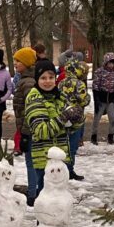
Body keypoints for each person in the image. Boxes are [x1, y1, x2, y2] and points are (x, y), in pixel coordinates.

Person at [25, 59, 76, 202]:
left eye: (51, 77)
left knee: (59, 202)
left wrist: (77, 119)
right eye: (43, 78)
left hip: (60, 159)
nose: (47, 81)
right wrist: (62, 118)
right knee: (46, 204)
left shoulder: (59, 96)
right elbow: (41, 131)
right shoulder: (34, 98)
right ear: (37, 79)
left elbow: (70, 127)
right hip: (44, 160)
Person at [59, 53, 90, 179]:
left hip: (63, 116)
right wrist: (87, 97)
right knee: (73, 145)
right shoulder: (79, 84)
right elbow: (83, 101)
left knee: (64, 144)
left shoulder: (61, 82)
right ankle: (69, 170)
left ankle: (64, 170)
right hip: (76, 117)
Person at [12, 46, 38, 183]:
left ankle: (33, 194)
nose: (15, 63)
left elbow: (31, 109)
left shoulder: (28, 82)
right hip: (26, 129)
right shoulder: (24, 79)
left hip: (30, 131)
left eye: (18, 61)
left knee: (31, 162)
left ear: (27, 63)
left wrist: (26, 134)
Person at [91, 52, 114, 144]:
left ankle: (111, 135)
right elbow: (95, 86)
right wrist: (96, 100)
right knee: (97, 119)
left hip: (110, 99)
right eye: (110, 62)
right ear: (106, 62)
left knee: (113, 119)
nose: (111, 65)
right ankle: (93, 136)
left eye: (113, 63)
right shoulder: (99, 71)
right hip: (101, 98)